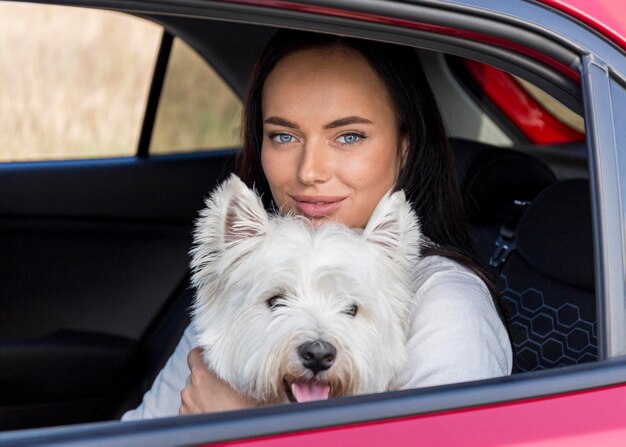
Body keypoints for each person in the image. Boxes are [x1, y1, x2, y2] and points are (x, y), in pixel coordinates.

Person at [122, 30, 512, 420]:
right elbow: (138, 434)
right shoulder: (245, 272)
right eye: (284, 135)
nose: (309, 171)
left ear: (405, 148)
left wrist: (240, 426)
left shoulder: (446, 308)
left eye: (349, 136)